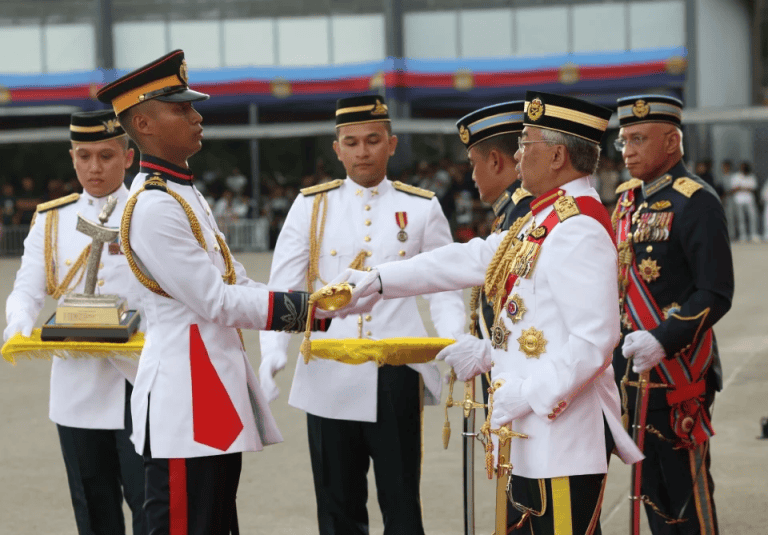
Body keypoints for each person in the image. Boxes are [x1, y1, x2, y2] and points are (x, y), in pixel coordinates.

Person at [333, 91, 643, 534]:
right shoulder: (543, 219)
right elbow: (468, 259)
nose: (516, 155)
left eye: (526, 143)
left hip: (562, 438)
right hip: (529, 434)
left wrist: (532, 394)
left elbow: (595, 341)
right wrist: (379, 280)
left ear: (557, 156)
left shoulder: (577, 228)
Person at [96, 49, 330, 534]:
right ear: (144, 123)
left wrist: (309, 301)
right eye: (181, 108)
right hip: (187, 399)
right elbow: (216, 302)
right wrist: (307, 310)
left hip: (207, 389)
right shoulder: (156, 205)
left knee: (214, 522)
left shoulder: (183, 193)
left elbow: (235, 280)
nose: (197, 116)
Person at [258, 94, 466, 535]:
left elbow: (444, 284)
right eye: (351, 142)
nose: (363, 151)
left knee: (401, 500)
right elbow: (285, 288)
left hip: (397, 367)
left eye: (373, 140)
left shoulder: (423, 206)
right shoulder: (311, 206)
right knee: (337, 506)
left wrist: (454, 339)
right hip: (329, 369)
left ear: (391, 144)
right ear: (337, 149)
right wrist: (273, 351)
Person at [4, 110, 145, 534]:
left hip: (138, 378)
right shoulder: (53, 219)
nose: (94, 167)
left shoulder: (149, 211)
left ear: (128, 157)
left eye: (106, 155)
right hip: (77, 384)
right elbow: (27, 286)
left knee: (150, 504)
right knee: (92, 508)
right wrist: (19, 323)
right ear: (72, 158)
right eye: (84, 156)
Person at [612, 94, 734, 534]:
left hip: (679, 371)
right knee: (653, 498)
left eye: (639, 139)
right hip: (635, 376)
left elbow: (716, 292)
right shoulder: (626, 200)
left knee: (687, 500)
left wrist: (662, 339)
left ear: (672, 142)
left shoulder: (696, 201)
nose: (627, 149)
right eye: (624, 139)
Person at [730, 161, 760, 243]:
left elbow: (753, 188)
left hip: (749, 200)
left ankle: (754, 234)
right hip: (739, 200)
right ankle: (743, 235)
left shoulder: (751, 176)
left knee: (752, 217)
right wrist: (745, 188)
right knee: (741, 218)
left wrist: (741, 187)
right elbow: (733, 189)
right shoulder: (736, 176)